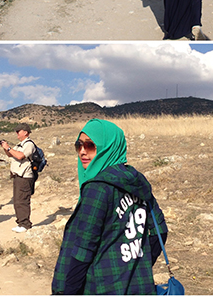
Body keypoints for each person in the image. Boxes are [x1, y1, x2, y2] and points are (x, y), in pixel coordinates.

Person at [52, 119, 167, 295]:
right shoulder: (137, 182)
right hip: (139, 286)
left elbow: (83, 251)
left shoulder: (97, 189)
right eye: (79, 145)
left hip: (101, 286)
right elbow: (160, 231)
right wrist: (137, 265)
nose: (82, 151)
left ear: (108, 147)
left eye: (90, 145)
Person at [0, 123, 36, 232]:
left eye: (18, 131)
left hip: (25, 176)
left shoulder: (29, 144)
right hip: (18, 176)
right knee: (17, 200)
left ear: (25, 132)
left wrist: (9, 147)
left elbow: (20, 156)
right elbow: (11, 154)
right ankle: (21, 223)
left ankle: (25, 224)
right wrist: (5, 148)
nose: (16, 133)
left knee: (22, 200)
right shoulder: (20, 144)